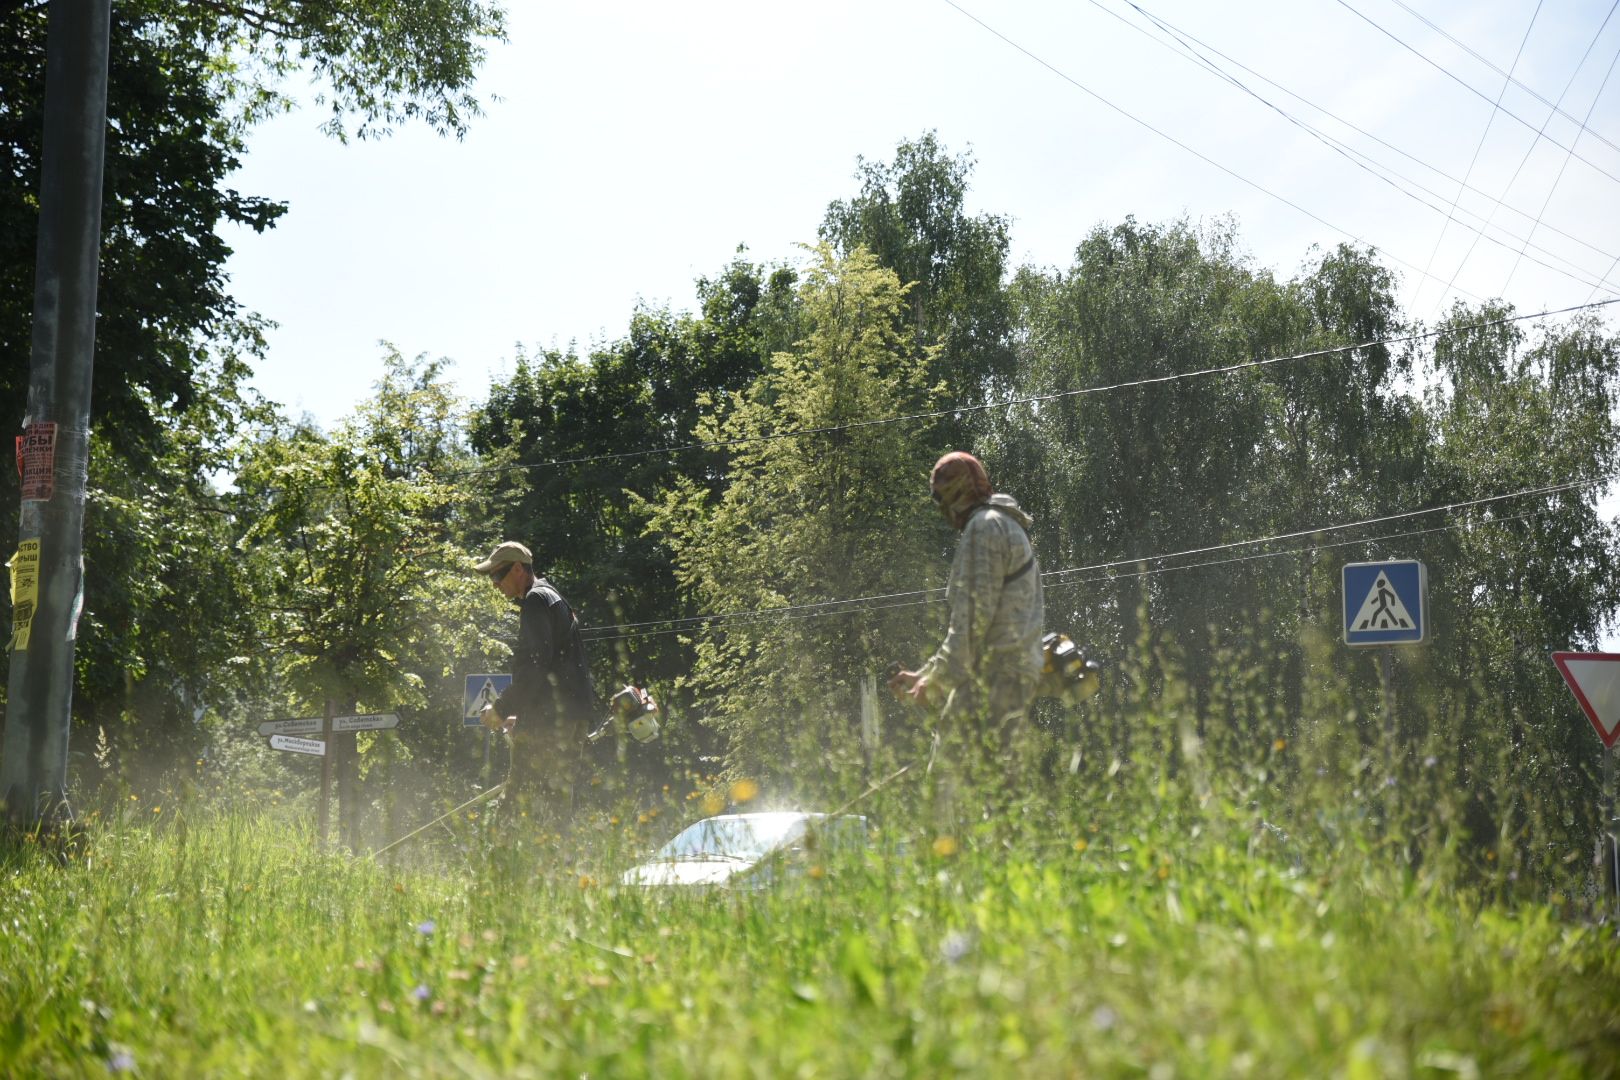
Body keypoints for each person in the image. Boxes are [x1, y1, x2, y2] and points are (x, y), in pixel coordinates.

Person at [889, 452, 1044, 758]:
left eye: (939, 497)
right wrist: (925, 675)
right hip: (1009, 677)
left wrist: (938, 681)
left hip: (992, 679)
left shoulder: (983, 529)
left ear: (952, 493)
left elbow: (971, 625)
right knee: (997, 792)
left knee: (947, 791)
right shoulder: (1003, 524)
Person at [474, 541, 598, 825]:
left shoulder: (535, 600)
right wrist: (525, 712)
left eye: (497, 576)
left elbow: (534, 666)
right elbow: (556, 666)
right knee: (555, 804)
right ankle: (556, 864)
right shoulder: (554, 597)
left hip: (550, 721)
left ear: (518, 569)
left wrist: (502, 709)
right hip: (569, 717)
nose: (495, 585)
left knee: (516, 803)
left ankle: (503, 867)